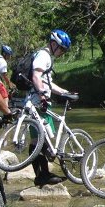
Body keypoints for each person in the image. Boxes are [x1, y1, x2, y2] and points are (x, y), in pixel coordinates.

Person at [30, 29, 74, 187]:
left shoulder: (46, 56)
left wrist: (64, 92)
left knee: (43, 139)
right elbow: (36, 76)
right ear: (53, 43)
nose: (62, 52)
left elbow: (47, 82)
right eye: (61, 48)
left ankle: (43, 174)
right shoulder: (43, 56)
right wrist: (42, 96)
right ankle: (42, 176)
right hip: (38, 102)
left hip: (40, 102)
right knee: (39, 140)